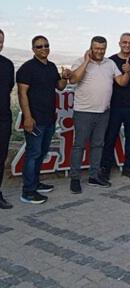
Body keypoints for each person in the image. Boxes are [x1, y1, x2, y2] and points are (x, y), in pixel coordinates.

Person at [68, 36, 130, 194]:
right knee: (79, 145)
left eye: (102, 49)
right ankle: (75, 179)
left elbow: (121, 82)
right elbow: (74, 79)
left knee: (98, 145)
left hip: (103, 112)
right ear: (90, 48)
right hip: (83, 112)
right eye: (96, 48)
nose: (99, 51)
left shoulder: (110, 63)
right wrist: (86, 62)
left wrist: (128, 72)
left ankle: (94, 176)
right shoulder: (79, 62)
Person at [16, 35, 70, 204]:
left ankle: (35, 183)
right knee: (33, 154)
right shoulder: (27, 68)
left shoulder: (51, 66)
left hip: (49, 118)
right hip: (35, 119)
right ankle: (28, 192)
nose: (43, 48)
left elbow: (59, 87)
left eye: (46, 45)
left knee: (41, 153)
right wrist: (28, 117)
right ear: (33, 49)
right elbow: (22, 94)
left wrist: (64, 77)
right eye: (39, 46)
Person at [100, 33, 130, 181]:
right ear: (119, 43)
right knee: (109, 139)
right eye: (125, 42)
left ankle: (128, 167)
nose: (127, 45)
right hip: (114, 107)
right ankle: (105, 168)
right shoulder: (111, 61)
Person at [0, 30, 14, 209]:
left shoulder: (7, 64)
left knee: (1, 158)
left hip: (3, 118)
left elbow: (9, 87)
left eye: (1, 41)